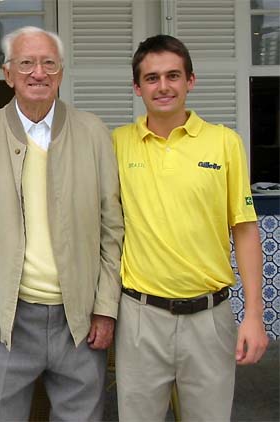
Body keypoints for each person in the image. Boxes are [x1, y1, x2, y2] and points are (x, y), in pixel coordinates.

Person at [0, 26, 123, 420]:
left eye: (48, 64)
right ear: (8, 74)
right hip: (7, 319)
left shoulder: (93, 134)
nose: (38, 73)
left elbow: (113, 230)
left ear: (60, 72)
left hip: (80, 320)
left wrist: (106, 307)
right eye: (26, 63)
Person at [112, 34, 269, 421]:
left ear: (190, 81)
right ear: (137, 87)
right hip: (139, 316)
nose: (162, 86)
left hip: (210, 317)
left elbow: (245, 229)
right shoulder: (115, 144)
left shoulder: (224, 143)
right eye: (151, 78)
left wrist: (253, 315)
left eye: (173, 75)